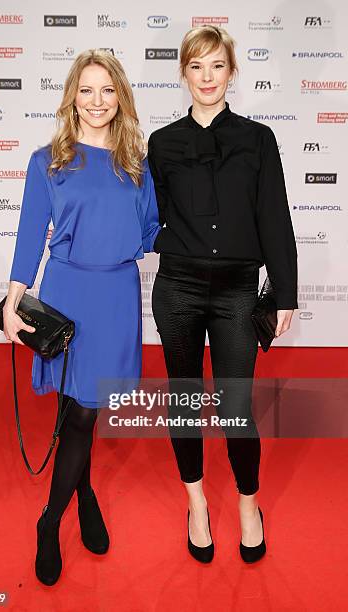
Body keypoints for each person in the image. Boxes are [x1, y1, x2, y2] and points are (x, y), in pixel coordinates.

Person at [3, 49, 161, 585]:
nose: (97, 101)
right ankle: (57, 517)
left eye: (107, 90)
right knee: (78, 410)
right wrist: (12, 298)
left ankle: (68, 503)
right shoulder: (48, 161)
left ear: (121, 97)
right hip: (67, 291)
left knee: (85, 411)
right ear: (73, 95)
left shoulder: (136, 164)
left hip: (115, 296)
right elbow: (30, 236)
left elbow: (148, 233)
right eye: (86, 90)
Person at [148, 25, 298, 564]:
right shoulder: (161, 143)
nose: (207, 78)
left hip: (238, 290)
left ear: (231, 72)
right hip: (178, 288)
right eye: (196, 66)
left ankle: (248, 505)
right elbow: (145, 217)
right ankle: (195, 503)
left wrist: (284, 293)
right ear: (183, 73)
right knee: (185, 403)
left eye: (217, 66)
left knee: (236, 408)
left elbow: (275, 218)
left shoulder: (258, 139)